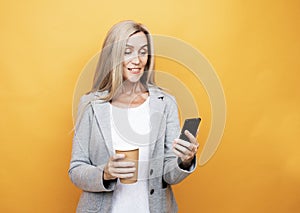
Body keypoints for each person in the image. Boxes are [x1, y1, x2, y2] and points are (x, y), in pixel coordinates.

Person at [68, 20, 199, 213]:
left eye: (143, 51)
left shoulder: (165, 103)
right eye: (127, 51)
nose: (137, 60)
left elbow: (169, 176)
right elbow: (76, 170)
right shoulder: (91, 105)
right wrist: (105, 172)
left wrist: (184, 161)